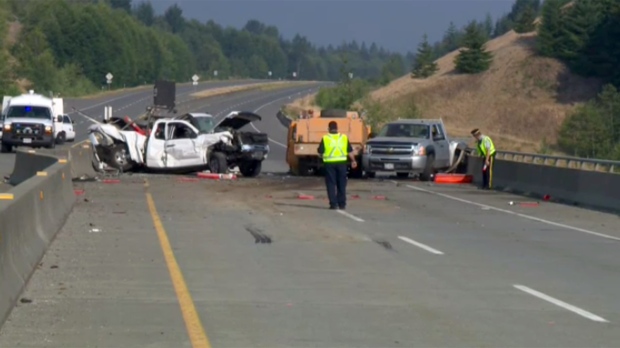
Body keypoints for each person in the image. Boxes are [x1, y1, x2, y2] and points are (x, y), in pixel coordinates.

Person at [317, 121, 357, 210]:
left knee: (331, 184)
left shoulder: (325, 138)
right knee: (341, 184)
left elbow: (320, 152)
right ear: (337, 128)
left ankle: (333, 204)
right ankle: (342, 204)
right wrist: (353, 160)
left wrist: (321, 156)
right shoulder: (343, 138)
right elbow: (350, 151)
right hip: (342, 163)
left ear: (328, 129)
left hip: (329, 164)